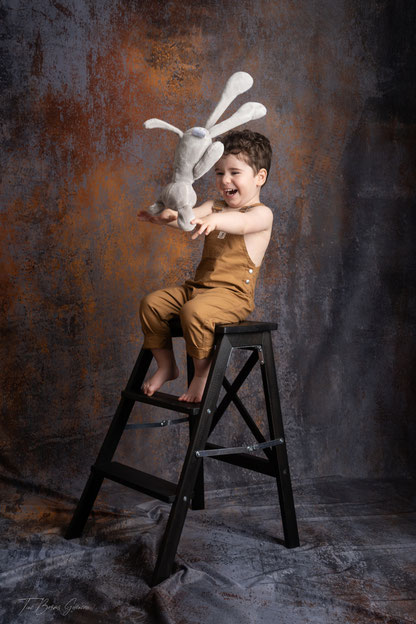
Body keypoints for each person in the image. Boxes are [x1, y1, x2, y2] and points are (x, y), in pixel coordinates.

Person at [137, 129, 273, 403]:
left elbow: (242, 223)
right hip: (199, 289)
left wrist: (216, 221)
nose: (225, 180)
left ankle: (201, 374)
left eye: (235, 172)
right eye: (219, 173)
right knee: (151, 304)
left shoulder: (261, 214)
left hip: (232, 297)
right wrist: (167, 218)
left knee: (194, 312)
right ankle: (167, 366)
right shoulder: (215, 206)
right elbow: (188, 219)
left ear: (259, 177)